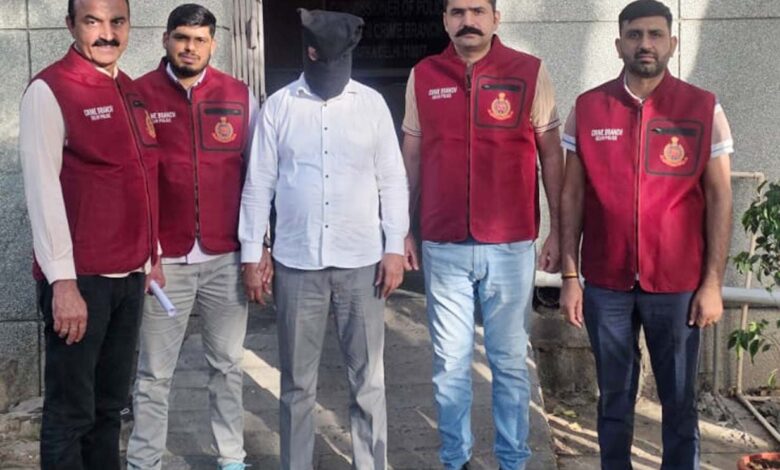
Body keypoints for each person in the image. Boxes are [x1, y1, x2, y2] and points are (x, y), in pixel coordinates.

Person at [559, 1, 734, 468]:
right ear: (619, 44)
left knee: (679, 399)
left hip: (678, 285)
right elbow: (572, 195)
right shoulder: (588, 107)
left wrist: (712, 283)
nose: (645, 44)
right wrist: (571, 277)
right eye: (635, 35)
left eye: (656, 35)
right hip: (607, 281)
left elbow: (720, 198)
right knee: (613, 398)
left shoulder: (704, 107)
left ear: (672, 43)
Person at [239, 8, 409, 469]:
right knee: (297, 383)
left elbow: (392, 180)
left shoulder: (371, 105)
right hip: (298, 264)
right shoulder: (279, 106)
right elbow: (259, 184)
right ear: (309, 54)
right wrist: (253, 252)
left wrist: (394, 246)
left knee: (368, 380)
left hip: (362, 263)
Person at [401, 0, 564, 468]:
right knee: (450, 364)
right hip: (444, 241)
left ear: (496, 18)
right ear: (444, 20)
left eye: (477, 11)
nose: (467, 21)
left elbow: (551, 155)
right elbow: (411, 156)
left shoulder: (529, 72)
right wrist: (401, 229)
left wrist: (557, 229)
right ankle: (456, 459)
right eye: (457, 12)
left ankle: (513, 460)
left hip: (510, 244)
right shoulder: (424, 75)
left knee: (509, 362)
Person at [125, 4, 270, 470]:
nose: (190, 47)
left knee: (227, 365)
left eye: (200, 40)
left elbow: (258, 177)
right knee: (153, 374)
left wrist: (259, 247)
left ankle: (231, 457)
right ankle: (144, 462)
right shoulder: (137, 95)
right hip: (163, 261)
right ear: (166, 40)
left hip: (224, 256)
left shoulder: (238, 95)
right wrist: (144, 253)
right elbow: (129, 180)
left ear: (213, 44)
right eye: (182, 38)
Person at [18, 0, 160, 468]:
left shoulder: (131, 90)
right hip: (81, 283)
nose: (106, 34)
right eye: (92, 22)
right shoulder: (50, 90)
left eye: (117, 22)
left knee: (109, 409)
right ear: (71, 26)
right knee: (71, 412)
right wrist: (63, 283)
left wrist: (152, 255)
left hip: (129, 277)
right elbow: (42, 191)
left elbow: (141, 177)